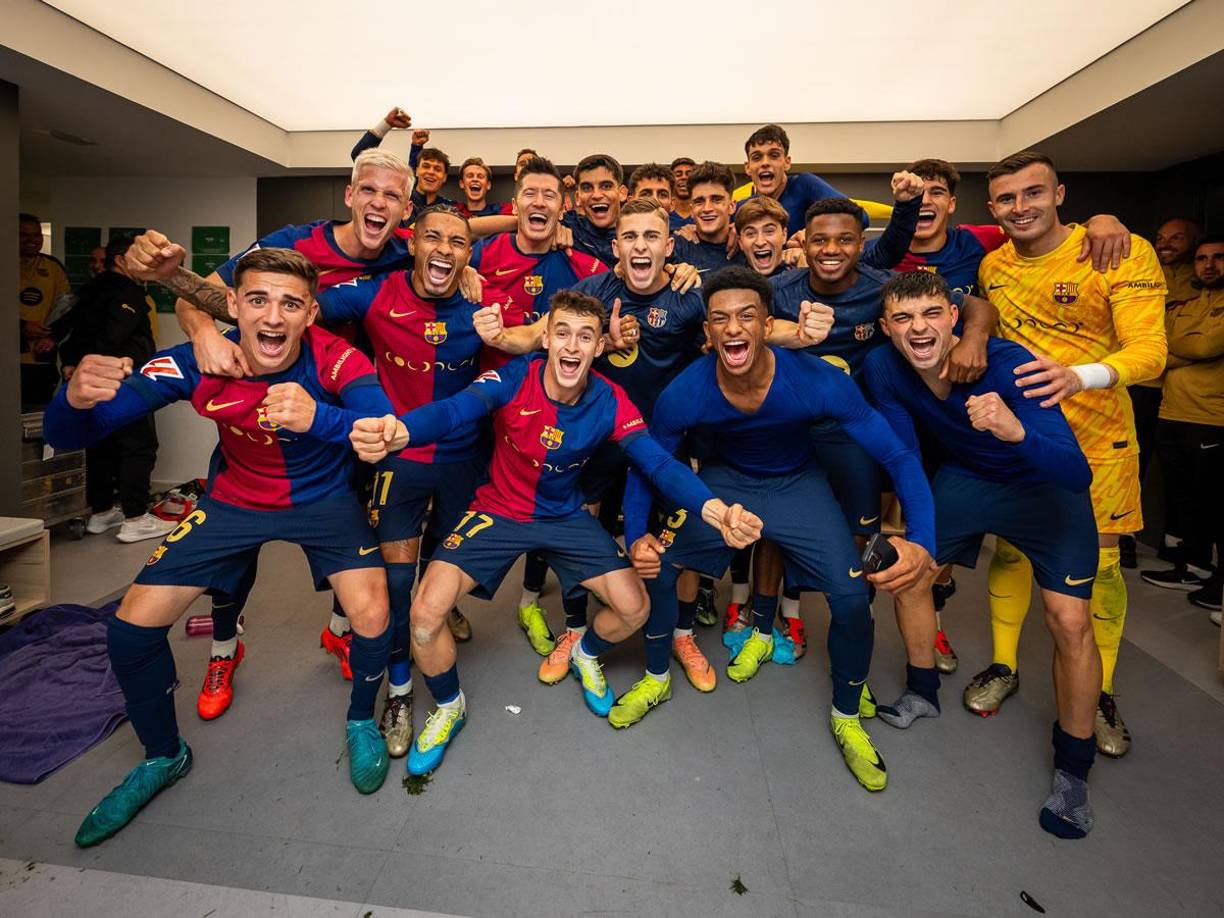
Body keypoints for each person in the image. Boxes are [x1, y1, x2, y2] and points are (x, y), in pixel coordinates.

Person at [43, 248, 396, 846]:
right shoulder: (197, 359)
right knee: (130, 629)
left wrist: (319, 420)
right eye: (258, 300)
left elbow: (381, 432)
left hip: (324, 503)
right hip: (233, 503)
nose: (274, 318)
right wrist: (72, 399)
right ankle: (162, 756)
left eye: (291, 304)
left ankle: (362, 718)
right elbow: (70, 435)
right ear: (232, 305)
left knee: (374, 612)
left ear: (311, 313)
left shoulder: (339, 359)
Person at [349, 289, 762, 774]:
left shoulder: (610, 399)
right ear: (545, 338)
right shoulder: (513, 376)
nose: (571, 346)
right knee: (423, 615)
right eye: (562, 333)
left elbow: (656, 462)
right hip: (499, 512)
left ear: (598, 347)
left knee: (635, 607)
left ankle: (585, 652)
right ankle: (448, 705)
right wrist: (402, 430)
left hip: (565, 516)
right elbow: (455, 410)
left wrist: (713, 509)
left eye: (585, 337)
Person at [623, 267, 935, 787]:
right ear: (707, 333)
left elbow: (899, 456)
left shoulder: (815, 378)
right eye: (719, 318)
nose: (732, 327)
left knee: (853, 600)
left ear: (768, 325)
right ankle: (656, 676)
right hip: (726, 485)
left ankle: (846, 715)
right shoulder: (687, 391)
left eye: (746, 315)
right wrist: (637, 534)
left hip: (798, 485)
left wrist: (921, 541)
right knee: (660, 563)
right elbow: (648, 462)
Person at [865, 270, 1102, 838]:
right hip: (966, 481)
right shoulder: (883, 367)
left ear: (954, 316)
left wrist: (1015, 429)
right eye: (903, 318)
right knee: (907, 574)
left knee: (1070, 622)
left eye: (930, 315)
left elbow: (1075, 472)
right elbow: (903, 457)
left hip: (1046, 491)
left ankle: (1073, 769)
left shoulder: (1008, 363)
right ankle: (922, 691)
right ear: (886, 327)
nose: (917, 328)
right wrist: (917, 539)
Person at [974, 150, 1167, 757]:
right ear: (993, 208)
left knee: (1102, 566)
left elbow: (1151, 352)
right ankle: (1005, 665)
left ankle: (1102, 690)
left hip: (1099, 437)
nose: (1020, 207)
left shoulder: (1117, 250)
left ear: (1061, 194)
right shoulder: (993, 267)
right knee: (1010, 549)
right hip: (1023, 437)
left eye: (1033, 193)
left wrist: (1079, 377)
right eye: (1007, 198)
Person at [57, 235, 172, 544]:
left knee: (101, 443)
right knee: (139, 445)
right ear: (122, 260)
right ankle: (135, 518)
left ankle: (102, 511)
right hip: (123, 379)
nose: (150, 267)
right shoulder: (127, 292)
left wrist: (73, 364)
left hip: (92, 381)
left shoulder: (92, 289)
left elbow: (69, 332)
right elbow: (112, 337)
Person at [1140, 236, 1222, 612]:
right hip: (1173, 409)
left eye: (1219, 258)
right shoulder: (1189, 303)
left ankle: (1211, 577)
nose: (1209, 265)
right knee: (1182, 494)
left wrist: (1180, 347)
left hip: (1213, 417)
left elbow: (1205, 347)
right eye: (1203, 258)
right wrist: (1180, 348)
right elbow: (1156, 345)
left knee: (1211, 500)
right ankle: (1191, 566)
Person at [1125, 217, 1204, 567]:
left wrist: (1157, 354)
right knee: (1135, 465)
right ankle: (1127, 538)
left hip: (1188, 399)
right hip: (1139, 386)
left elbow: (1202, 342)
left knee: (1189, 480)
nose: (1166, 244)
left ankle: (1187, 554)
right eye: (1161, 237)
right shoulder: (1139, 265)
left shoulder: (1202, 282)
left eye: (1177, 238)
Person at [18, 212, 71, 405]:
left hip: (41, 360)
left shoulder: (53, 267)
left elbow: (67, 308)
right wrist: (22, 326)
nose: (32, 240)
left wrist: (53, 337)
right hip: (10, 357)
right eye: (24, 235)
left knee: (37, 416)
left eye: (37, 235)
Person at [669, 157, 696, 229]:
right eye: (678, 175)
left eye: (689, 174)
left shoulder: (703, 214)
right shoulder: (663, 215)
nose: (684, 177)